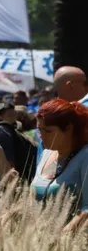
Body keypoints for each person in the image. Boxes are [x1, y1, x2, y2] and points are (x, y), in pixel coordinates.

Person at [31, 99, 88, 232]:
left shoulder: (85, 157)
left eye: (48, 131)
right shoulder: (46, 154)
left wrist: (62, 236)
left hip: (72, 246)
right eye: (39, 130)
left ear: (68, 128)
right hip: (38, 241)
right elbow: (35, 198)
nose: (41, 136)